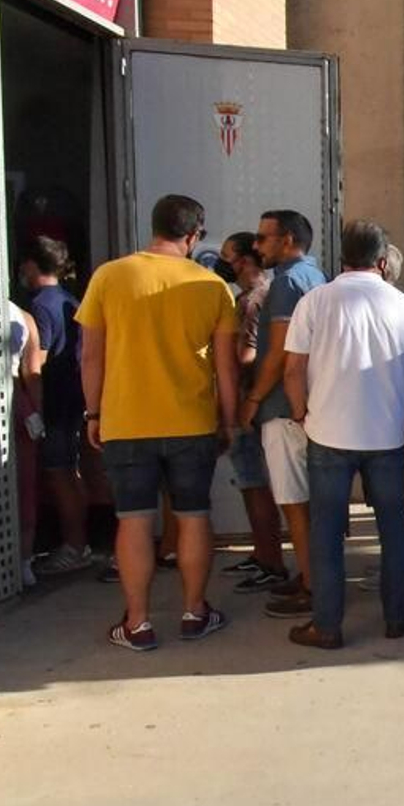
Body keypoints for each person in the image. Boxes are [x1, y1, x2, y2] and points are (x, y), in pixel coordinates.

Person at [77, 194, 238, 651]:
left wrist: (94, 412)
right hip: (191, 422)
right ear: (194, 234)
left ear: (154, 227)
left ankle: (139, 623)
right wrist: (229, 421)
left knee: (132, 520)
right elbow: (225, 368)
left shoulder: (110, 275)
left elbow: (92, 354)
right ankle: (194, 611)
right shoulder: (211, 286)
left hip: (126, 422)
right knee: (192, 516)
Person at [281, 220, 404, 649]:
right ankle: (396, 617)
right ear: (383, 261)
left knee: (325, 531)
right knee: (394, 527)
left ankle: (325, 626)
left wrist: (299, 411)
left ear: (341, 256)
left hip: (327, 432)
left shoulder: (316, 301)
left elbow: (293, 369)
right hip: (385, 434)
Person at [242, 210, 326, 612]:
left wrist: (253, 399)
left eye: (263, 238)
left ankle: (314, 586)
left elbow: (279, 353)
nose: (257, 246)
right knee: (307, 502)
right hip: (309, 405)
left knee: (295, 501)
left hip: (284, 407)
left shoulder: (288, 282)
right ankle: (312, 576)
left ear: (287, 239)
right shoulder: (315, 277)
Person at [17, 236, 91, 576]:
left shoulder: (41, 305)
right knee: (70, 474)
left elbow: (36, 366)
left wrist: (37, 412)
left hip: (56, 405)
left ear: (33, 265)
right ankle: (80, 543)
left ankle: (74, 546)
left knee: (59, 474)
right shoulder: (67, 299)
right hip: (74, 400)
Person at [221, 244, 287, 587]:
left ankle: (270, 561)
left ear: (244, 261)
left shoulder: (250, 301)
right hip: (263, 403)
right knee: (254, 483)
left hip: (249, 403)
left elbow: (244, 356)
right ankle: (263, 556)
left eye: (228, 256)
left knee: (254, 484)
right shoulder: (269, 294)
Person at [8, 301, 45, 585]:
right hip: (20, 406)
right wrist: (36, 414)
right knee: (25, 485)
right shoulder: (23, 316)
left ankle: (22, 561)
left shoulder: (23, 317)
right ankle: (24, 561)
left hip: (14, 407)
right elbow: (33, 373)